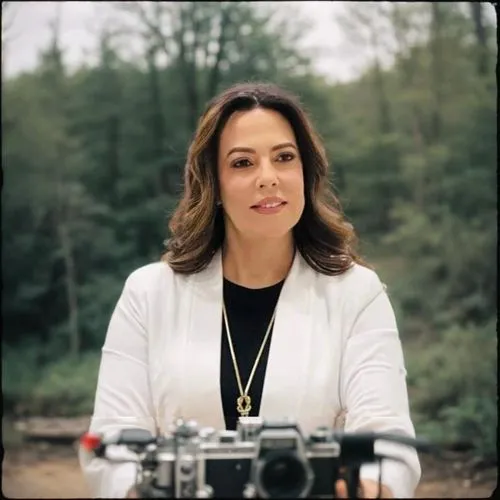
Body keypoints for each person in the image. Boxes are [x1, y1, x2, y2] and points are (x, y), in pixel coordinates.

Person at [79, 82, 421, 498]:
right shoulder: (149, 293)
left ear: (305, 173)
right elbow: (112, 441)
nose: (268, 178)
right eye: (242, 163)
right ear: (214, 184)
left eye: (284, 158)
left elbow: (386, 435)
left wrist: (370, 485)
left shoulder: (357, 293)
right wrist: (135, 488)